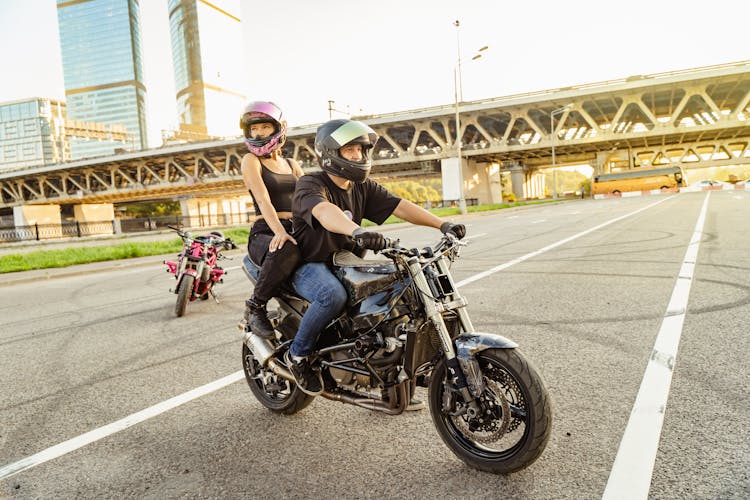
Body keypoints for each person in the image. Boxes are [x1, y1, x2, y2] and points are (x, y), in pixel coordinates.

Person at [284, 119, 466, 396]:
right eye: (350, 149)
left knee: (399, 291)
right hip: (310, 264)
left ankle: (388, 370)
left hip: (346, 262)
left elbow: (400, 206)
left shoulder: (362, 187)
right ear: (330, 152)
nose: (358, 155)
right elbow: (323, 212)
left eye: (360, 149)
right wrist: (356, 231)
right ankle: (298, 356)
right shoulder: (311, 183)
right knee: (332, 296)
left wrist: (442, 225)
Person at [240, 101, 305, 339]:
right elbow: (264, 199)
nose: (258, 134)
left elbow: (311, 198)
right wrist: (279, 231)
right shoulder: (251, 160)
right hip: (265, 231)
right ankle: (255, 307)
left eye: (264, 127)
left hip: (295, 226)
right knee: (285, 247)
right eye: (254, 129)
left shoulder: (292, 165)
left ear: (278, 128)